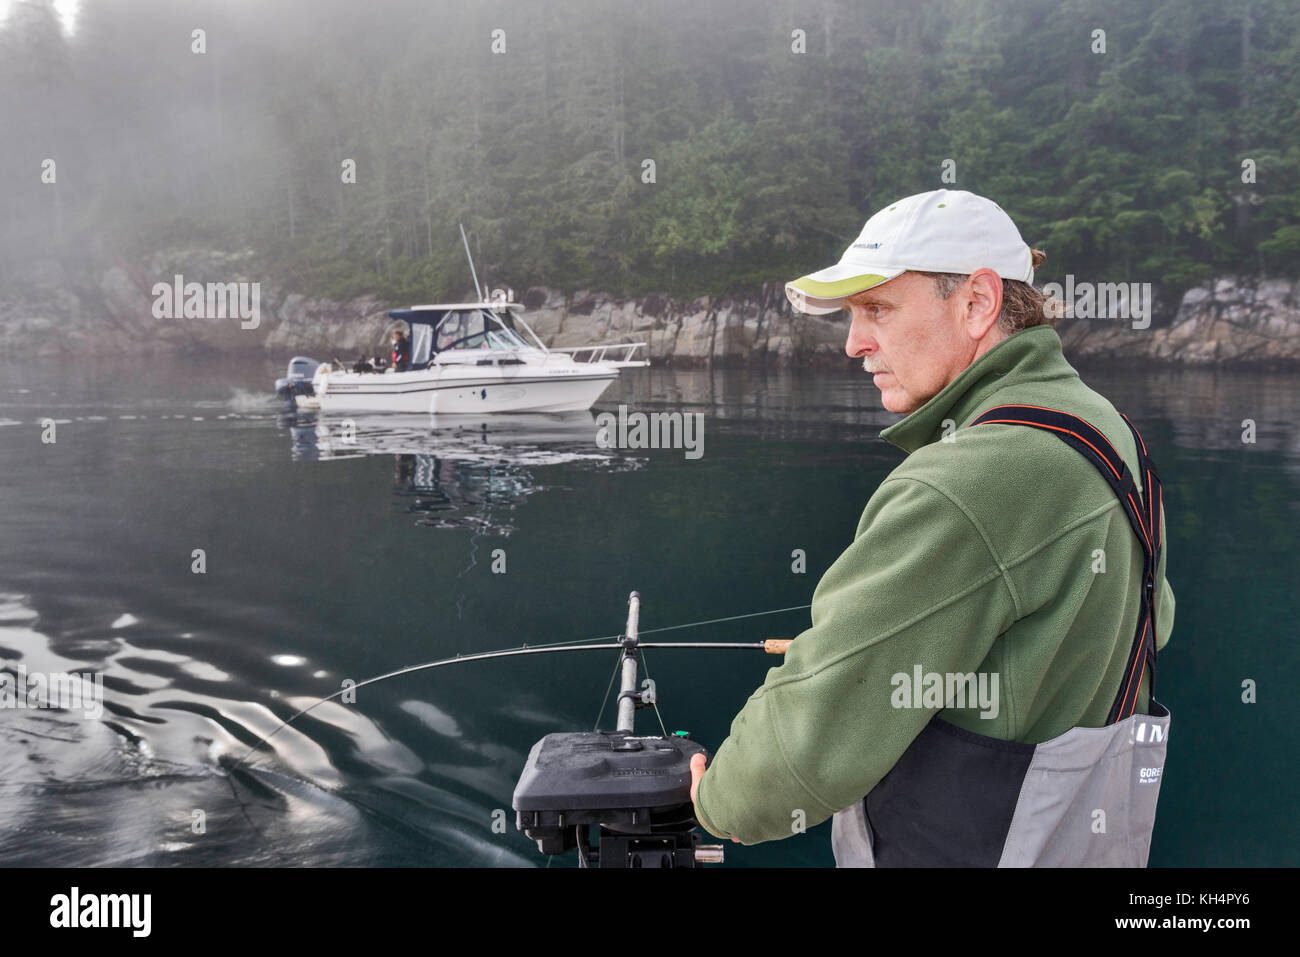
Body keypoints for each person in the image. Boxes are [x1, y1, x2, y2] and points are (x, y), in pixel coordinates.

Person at [689, 188, 1174, 867]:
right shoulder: (1113, 438)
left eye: (876, 308)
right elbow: (1156, 621)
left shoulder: (961, 482)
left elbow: (804, 751)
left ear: (977, 302)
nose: (855, 342)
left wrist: (720, 798)